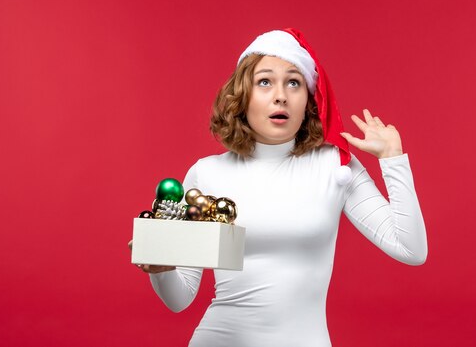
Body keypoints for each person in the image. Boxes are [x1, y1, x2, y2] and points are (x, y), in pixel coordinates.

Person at [131, 28, 428, 346]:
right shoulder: (207, 175)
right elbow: (180, 299)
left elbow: (411, 249)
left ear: (309, 101)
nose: (280, 95)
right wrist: (160, 268)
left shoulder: (335, 166)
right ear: (243, 96)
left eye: (294, 82)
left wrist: (392, 159)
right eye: (264, 81)